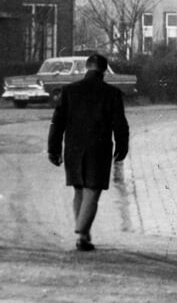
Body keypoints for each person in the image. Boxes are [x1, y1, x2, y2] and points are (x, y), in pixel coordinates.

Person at [47, 54, 129, 251]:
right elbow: (120, 125)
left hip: (74, 148)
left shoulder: (69, 91)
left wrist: (53, 149)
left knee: (79, 190)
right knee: (92, 191)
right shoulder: (112, 93)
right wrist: (122, 147)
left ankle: (83, 235)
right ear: (104, 71)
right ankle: (82, 231)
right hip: (99, 149)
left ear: (86, 68)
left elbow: (57, 123)